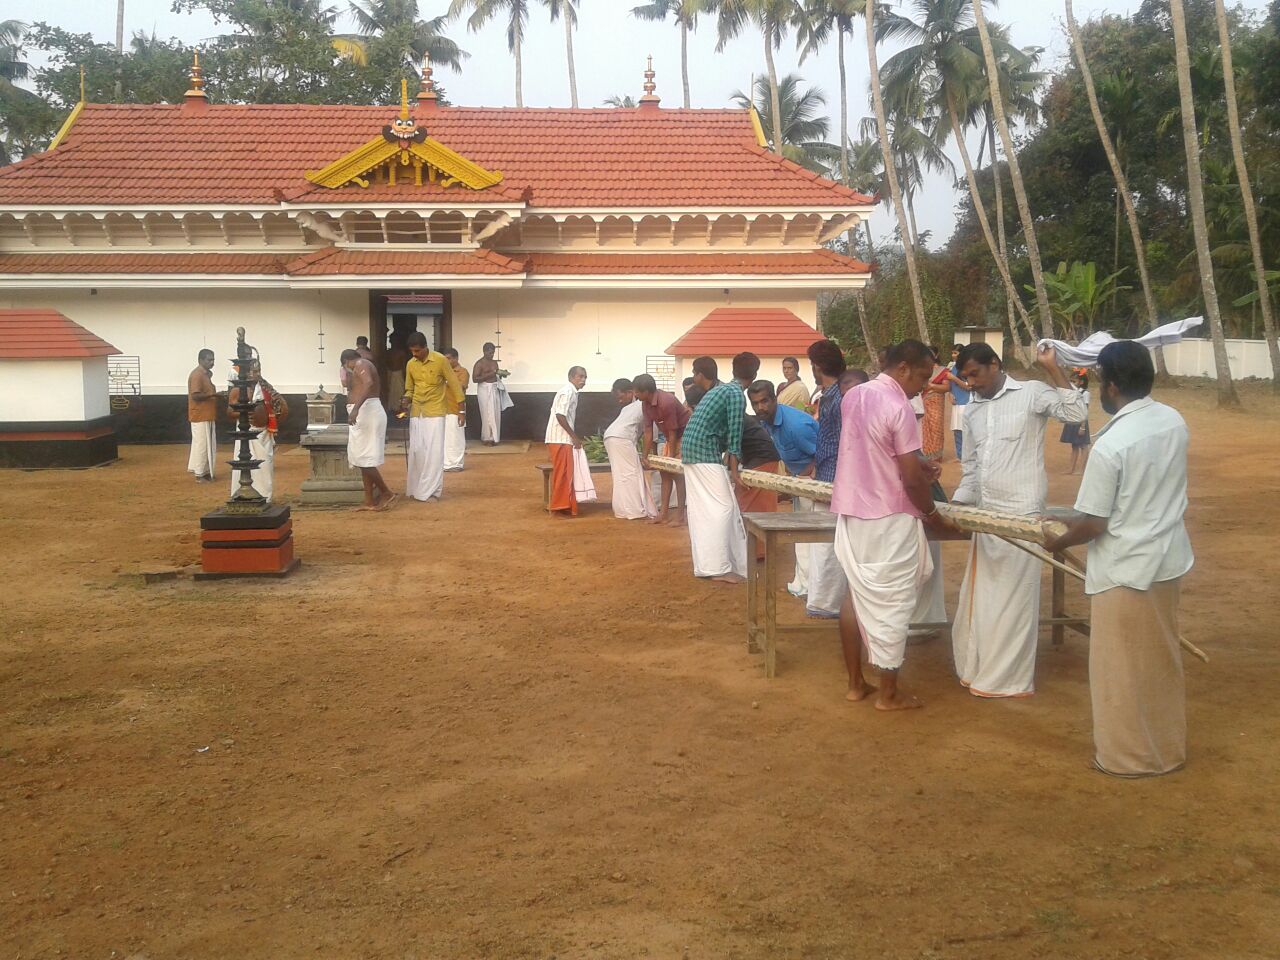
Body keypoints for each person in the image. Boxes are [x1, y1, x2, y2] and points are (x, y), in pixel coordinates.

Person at [1043, 341, 1192, 777]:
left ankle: (1128, 758)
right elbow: (1135, 497)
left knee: (1121, 673)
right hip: (1166, 562)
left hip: (1127, 573)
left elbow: (1094, 524)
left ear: (1109, 386)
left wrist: (1056, 540)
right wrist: (1066, 514)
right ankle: (1166, 749)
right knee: (1160, 664)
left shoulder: (1111, 446)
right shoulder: (1171, 421)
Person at [950, 341, 1088, 698]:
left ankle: (1007, 681)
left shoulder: (1031, 394)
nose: (971, 383)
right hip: (986, 516)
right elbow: (972, 468)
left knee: (1015, 602)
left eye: (975, 374)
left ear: (995, 365)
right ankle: (977, 669)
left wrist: (1052, 368)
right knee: (983, 598)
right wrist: (958, 508)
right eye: (965, 378)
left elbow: (1075, 414)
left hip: (1024, 514)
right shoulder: (973, 411)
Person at [832, 339, 957, 711]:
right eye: (921, 376)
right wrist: (933, 516)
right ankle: (888, 694)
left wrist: (919, 462)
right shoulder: (899, 405)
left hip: (853, 511)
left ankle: (856, 684)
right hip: (889, 516)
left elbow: (872, 449)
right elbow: (912, 480)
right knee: (893, 602)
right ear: (903, 367)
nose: (923, 385)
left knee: (857, 595)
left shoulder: (853, 396)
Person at [680, 354, 753, 583]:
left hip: (693, 449)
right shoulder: (734, 394)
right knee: (724, 508)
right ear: (754, 374)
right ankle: (720, 568)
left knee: (704, 510)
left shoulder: (721, 390)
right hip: (703, 451)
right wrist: (734, 470)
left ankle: (709, 565)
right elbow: (735, 434)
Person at [749, 378, 819, 575]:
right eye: (755, 403)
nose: (760, 407)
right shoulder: (767, 421)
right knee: (803, 537)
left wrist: (809, 484)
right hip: (800, 482)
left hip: (816, 483)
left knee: (813, 540)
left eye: (765, 401)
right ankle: (805, 583)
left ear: (774, 399)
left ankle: (812, 587)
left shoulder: (796, 425)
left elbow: (824, 456)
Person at [803, 339, 848, 619]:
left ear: (817, 367)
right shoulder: (833, 395)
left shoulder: (839, 397)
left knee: (827, 543)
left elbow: (841, 442)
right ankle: (824, 600)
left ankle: (827, 603)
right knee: (825, 543)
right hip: (829, 473)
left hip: (834, 477)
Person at [400, 332, 464, 503]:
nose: (415, 354)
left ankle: (432, 492)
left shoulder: (440, 360)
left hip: (435, 412)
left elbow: (455, 385)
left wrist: (461, 411)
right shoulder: (410, 364)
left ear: (425, 347)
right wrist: (405, 402)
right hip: (416, 412)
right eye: (412, 351)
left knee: (434, 453)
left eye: (418, 351)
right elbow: (409, 388)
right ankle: (417, 488)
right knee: (417, 452)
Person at [342, 348, 396, 511]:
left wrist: (356, 408)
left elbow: (369, 383)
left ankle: (386, 492)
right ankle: (369, 501)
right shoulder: (360, 365)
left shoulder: (360, 363)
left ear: (346, 362)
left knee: (363, 457)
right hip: (364, 413)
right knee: (361, 458)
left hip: (367, 412)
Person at [226, 359, 286, 501]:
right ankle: (242, 494)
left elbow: (280, 406)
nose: (256, 374)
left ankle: (265, 497)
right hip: (246, 432)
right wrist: (244, 413)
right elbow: (229, 413)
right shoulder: (237, 390)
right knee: (245, 463)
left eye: (258, 371)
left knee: (265, 465)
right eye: (253, 371)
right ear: (246, 372)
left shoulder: (266, 388)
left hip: (264, 433)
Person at [634, 373, 689, 526]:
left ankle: (680, 516)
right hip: (669, 436)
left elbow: (673, 431)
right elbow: (648, 431)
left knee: (677, 475)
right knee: (665, 474)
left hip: (684, 436)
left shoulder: (667, 401)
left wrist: (670, 458)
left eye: (637, 391)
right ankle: (663, 514)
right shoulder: (645, 404)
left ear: (646, 391)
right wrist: (645, 456)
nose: (636, 395)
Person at [603, 378, 657, 520]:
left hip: (612, 437)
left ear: (631, 392)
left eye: (621, 397)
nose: (620, 401)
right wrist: (646, 455)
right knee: (631, 473)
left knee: (623, 474)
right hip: (621, 439)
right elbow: (648, 433)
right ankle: (634, 510)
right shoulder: (641, 405)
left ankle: (624, 509)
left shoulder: (632, 407)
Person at [545, 366, 588, 517]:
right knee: (563, 473)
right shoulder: (567, 391)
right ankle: (559, 505)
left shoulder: (572, 392)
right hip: (560, 438)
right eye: (580, 377)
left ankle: (565, 504)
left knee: (566, 472)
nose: (583, 380)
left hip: (562, 438)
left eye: (585, 377)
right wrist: (574, 436)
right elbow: (560, 415)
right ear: (571, 377)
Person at [187, 348, 219, 482]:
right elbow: (195, 395)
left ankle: (205, 471)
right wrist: (213, 394)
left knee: (207, 445)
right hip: (200, 415)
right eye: (209, 360)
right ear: (200, 360)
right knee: (202, 445)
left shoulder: (205, 374)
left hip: (207, 415)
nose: (212, 362)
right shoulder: (197, 375)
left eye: (213, 360)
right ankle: (200, 474)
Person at [443, 348, 470, 472]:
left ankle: (456, 464)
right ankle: (446, 463)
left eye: (448, 358)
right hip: (443, 409)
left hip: (456, 408)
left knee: (456, 438)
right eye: (445, 358)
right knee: (445, 438)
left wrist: (448, 380)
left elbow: (461, 386)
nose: (446, 361)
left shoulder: (462, 371)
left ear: (456, 358)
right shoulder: (443, 372)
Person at [1060, 370, 1092, 475]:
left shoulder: (1085, 393)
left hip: (1080, 422)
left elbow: (1085, 410)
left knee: (1083, 445)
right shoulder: (1072, 393)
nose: (1071, 383)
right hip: (1072, 421)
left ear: (1081, 382)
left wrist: (1083, 427)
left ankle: (1082, 470)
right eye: (1071, 381)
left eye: (1074, 381)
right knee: (1074, 446)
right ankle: (1071, 469)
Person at [921, 348, 950, 461]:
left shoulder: (943, 371)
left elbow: (947, 387)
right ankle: (926, 455)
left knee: (936, 427)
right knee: (923, 428)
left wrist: (932, 386)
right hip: (922, 401)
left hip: (936, 401)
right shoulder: (921, 369)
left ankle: (936, 456)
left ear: (936, 355)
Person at [473, 342, 504, 445]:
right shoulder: (479, 364)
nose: (492, 355)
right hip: (484, 390)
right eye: (490, 353)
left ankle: (495, 437)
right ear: (484, 351)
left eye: (493, 353)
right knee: (486, 413)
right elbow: (475, 379)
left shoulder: (495, 363)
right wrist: (491, 373)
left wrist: (501, 374)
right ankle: (487, 438)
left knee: (495, 413)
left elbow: (495, 375)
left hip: (494, 389)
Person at [947, 344, 971, 459]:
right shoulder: (952, 368)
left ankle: (967, 456)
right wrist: (950, 394)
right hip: (956, 404)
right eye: (952, 353)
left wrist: (954, 378)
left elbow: (969, 386)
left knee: (966, 431)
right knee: (957, 431)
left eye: (955, 353)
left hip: (966, 403)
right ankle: (959, 455)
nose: (953, 355)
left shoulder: (967, 368)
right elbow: (951, 387)